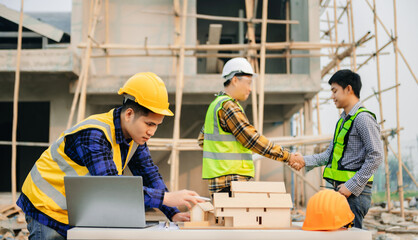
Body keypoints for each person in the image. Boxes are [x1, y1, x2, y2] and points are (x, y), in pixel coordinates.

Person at [17, 72, 204, 239]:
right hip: (45, 206)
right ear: (129, 114)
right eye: (149, 124)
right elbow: (111, 188)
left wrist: (172, 213)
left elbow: (150, 174)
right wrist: (165, 198)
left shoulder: (135, 137)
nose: (152, 131)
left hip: (74, 211)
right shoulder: (94, 134)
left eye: (156, 125)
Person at [290, 69, 383, 229]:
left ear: (348, 89)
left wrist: (352, 186)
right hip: (341, 191)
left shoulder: (363, 119)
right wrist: (303, 160)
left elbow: (376, 156)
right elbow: (329, 155)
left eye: (335, 91)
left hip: (355, 194)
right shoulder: (342, 121)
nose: (332, 96)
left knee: (352, 236)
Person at [198, 57, 303, 195]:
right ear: (235, 80)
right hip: (232, 182)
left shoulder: (215, 105)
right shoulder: (228, 106)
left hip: (219, 183)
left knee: (225, 217)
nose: (250, 89)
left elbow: (202, 140)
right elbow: (252, 139)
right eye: (248, 83)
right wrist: (288, 156)